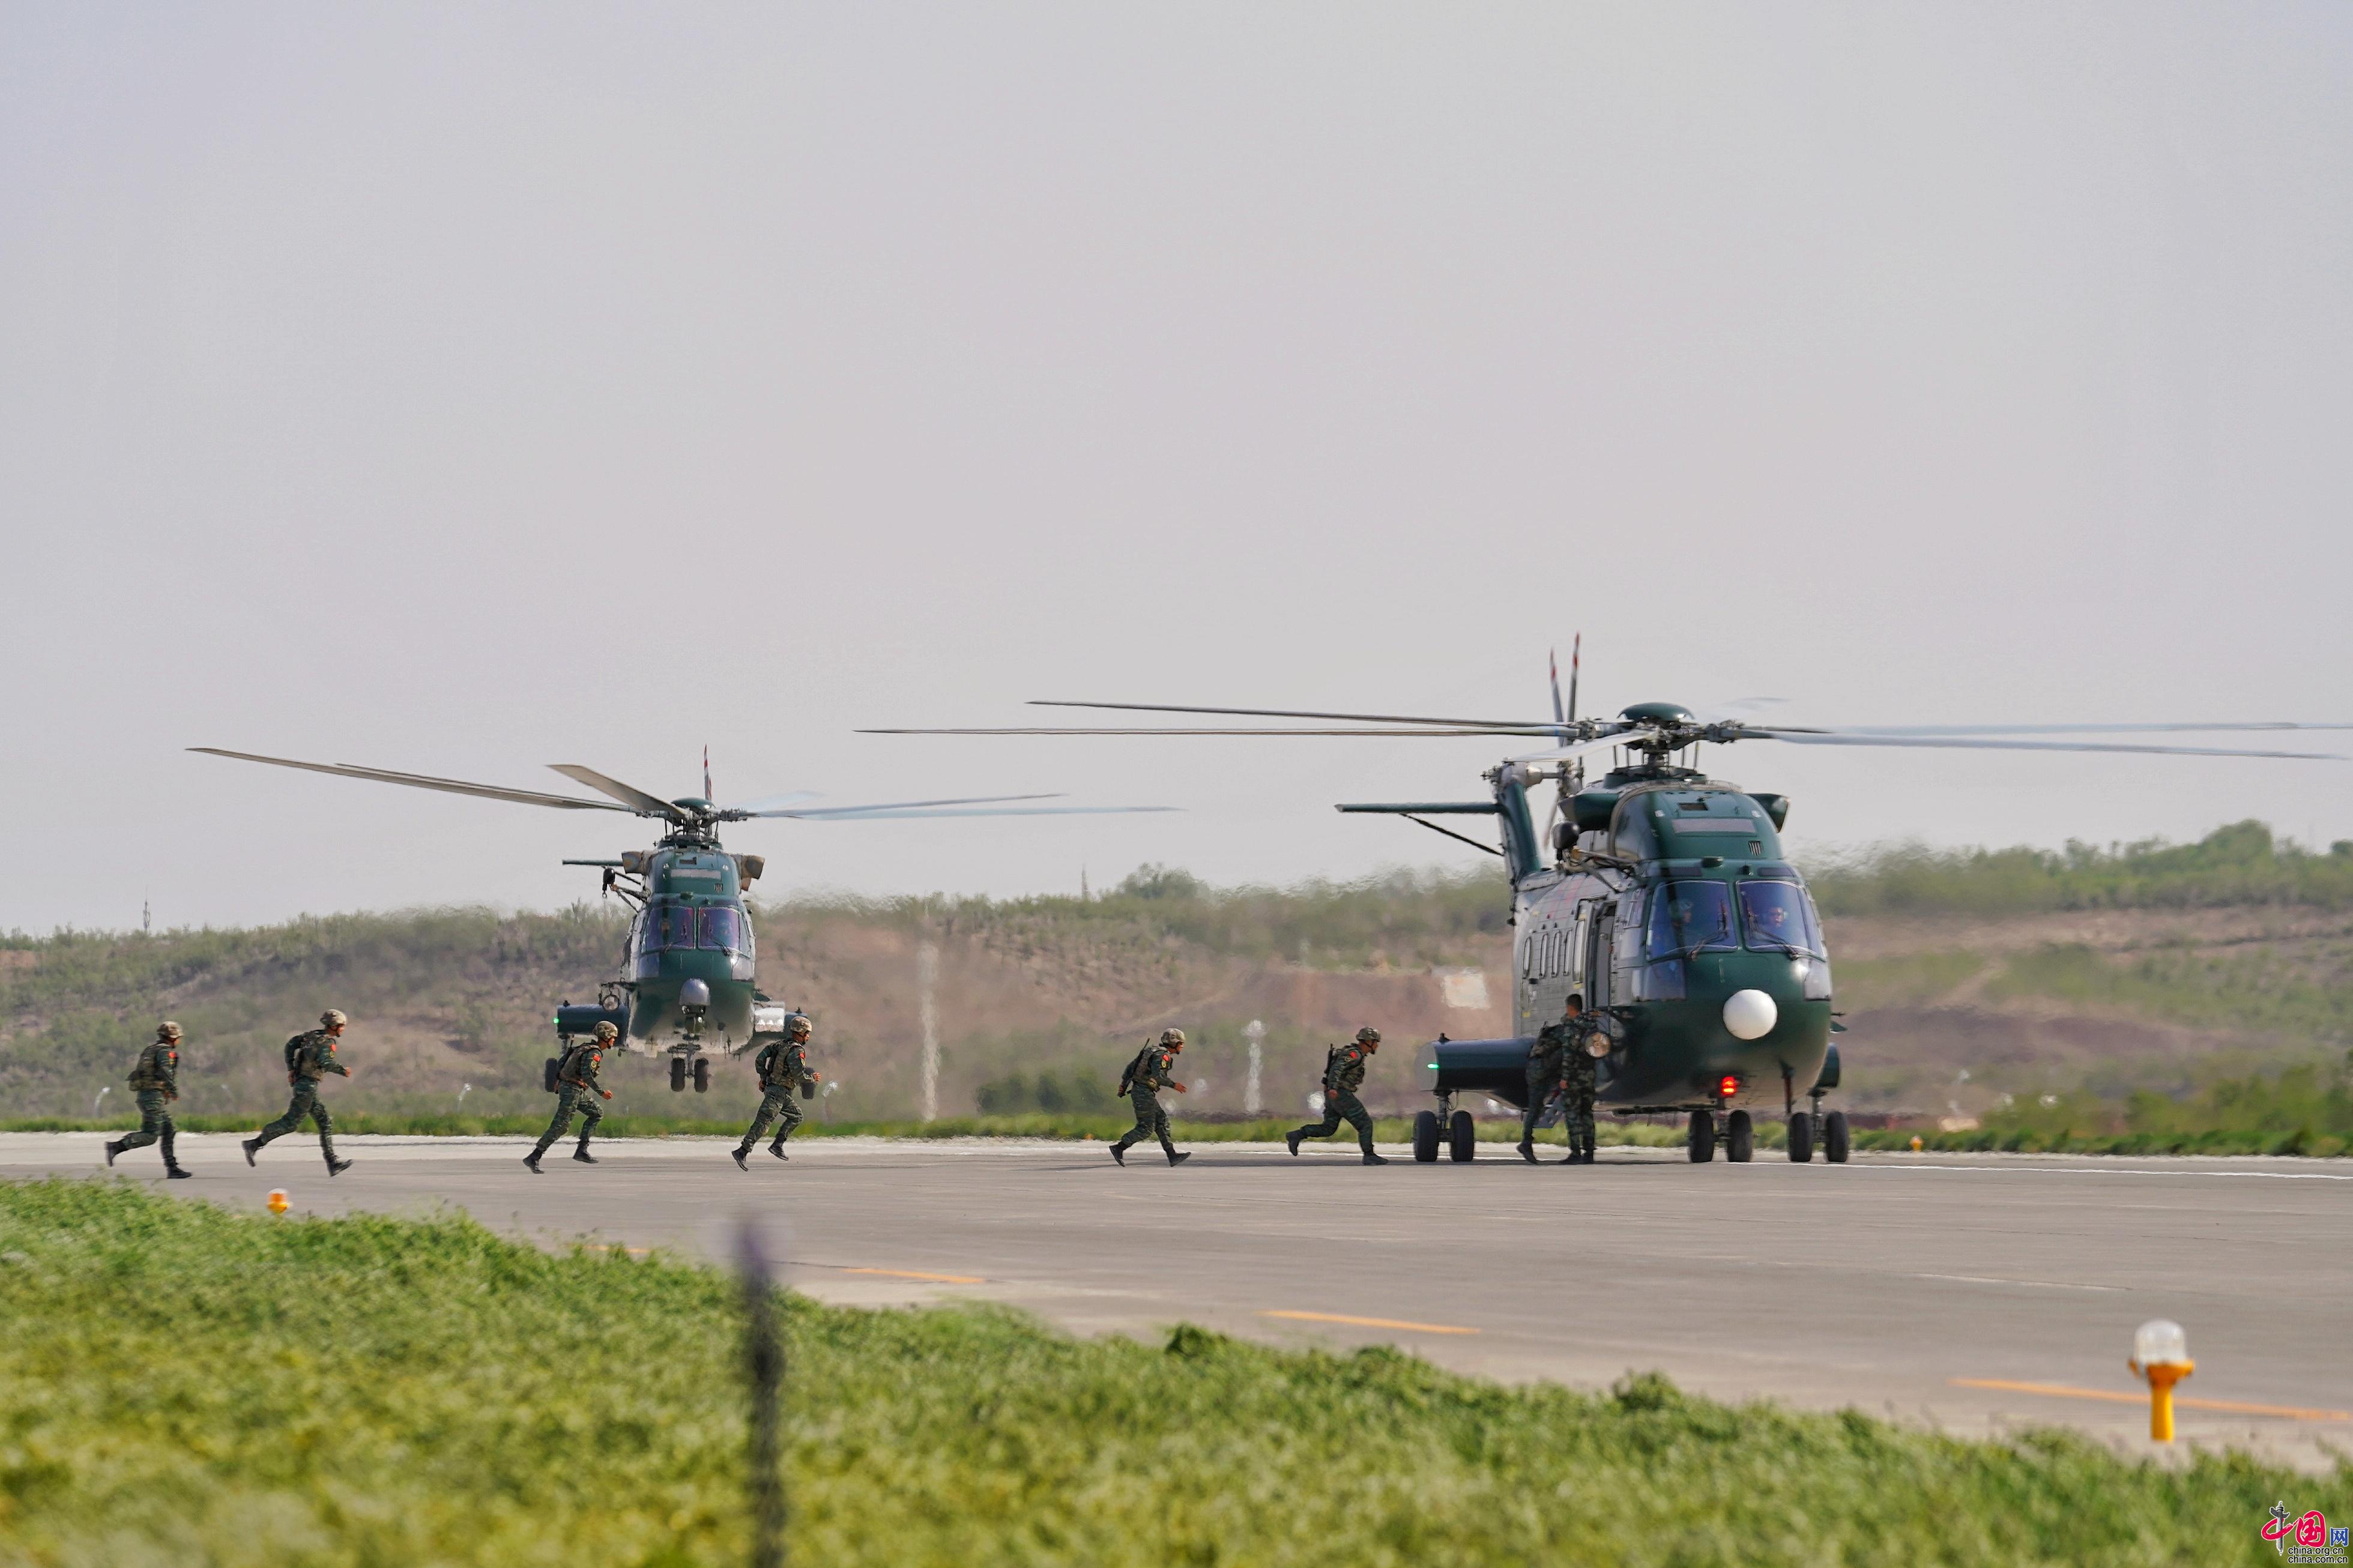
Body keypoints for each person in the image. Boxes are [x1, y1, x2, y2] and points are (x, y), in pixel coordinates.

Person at [244, 1009, 352, 1175]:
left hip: (305, 1086)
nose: (343, 1029)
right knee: (290, 1123)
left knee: (325, 1122)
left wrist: (291, 1069)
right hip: (307, 1088)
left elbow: (290, 1046)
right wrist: (342, 1070)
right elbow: (326, 1062)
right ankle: (255, 1144)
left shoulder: (309, 1037)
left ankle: (332, 1163)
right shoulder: (326, 1043)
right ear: (334, 1026)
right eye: (341, 1026)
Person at [1287, 1026, 1389, 1165]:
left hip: (1334, 1095)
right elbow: (1337, 1068)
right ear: (1368, 1041)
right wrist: (1333, 1088)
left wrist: (1330, 1088)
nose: (1377, 1045)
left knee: (1328, 1128)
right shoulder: (1355, 1055)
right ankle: (1369, 1155)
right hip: (1341, 1095)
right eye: (1375, 1042)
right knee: (1365, 1124)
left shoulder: (1356, 1055)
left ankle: (1297, 1135)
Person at [527, 1021, 615, 1172]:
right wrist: (602, 1093)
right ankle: (534, 1156)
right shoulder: (593, 1053)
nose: (614, 1040)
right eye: (613, 1037)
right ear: (606, 1037)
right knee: (561, 1125)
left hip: (574, 1089)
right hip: (571, 1090)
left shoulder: (585, 1048)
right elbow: (588, 1077)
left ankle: (581, 1150)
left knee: (596, 1113)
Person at [106, 1021, 191, 1179]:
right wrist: (173, 1091)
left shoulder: (151, 1050)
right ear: (172, 1038)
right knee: (151, 1135)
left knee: (169, 1129)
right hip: (153, 1098)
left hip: (148, 1096)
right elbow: (166, 1072)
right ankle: (117, 1147)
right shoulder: (165, 1052)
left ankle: (172, 1168)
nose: (179, 1040)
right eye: (178, 1037)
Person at [734, 1013, 817, 1169]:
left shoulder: (778, 1045)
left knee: (797, 1116)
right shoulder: (796, 1051)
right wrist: (812, 1079)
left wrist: (764, 1077)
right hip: (778, 1093)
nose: (808, 1037)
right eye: (807, 1034)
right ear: (800, 1033)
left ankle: (777, 1145)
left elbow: (760, 1059)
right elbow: (798, 1074)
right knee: (763, 1123)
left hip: (780, 1093)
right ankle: (742, 1151)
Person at [1110, 1028, 1191, 1167]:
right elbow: (1158, 1076)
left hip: (1142, 1091)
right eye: (1180, 1043)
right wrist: (1173, 1085)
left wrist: (1123, 1084)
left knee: (1162, 1121)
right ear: (1174, 1043)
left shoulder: (1152, 1050)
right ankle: (1119, 1147)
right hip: (1143, 1092)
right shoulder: (1162, 1055)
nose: (1182, 1046)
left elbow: (1131, 1068)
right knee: (1146, 1128)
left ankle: (1172, 1155)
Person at [1519, 1001, 1575, 1163]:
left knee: (1535, 1109)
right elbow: (1567, 1056)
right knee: (1535, 1108)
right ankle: (1526, 1142)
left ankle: (1526, 1142)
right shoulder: (1565, 1034)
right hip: (1542, 1073)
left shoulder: (1556, 1032)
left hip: (1539, 1072)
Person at [1561, 1004, 1607, 1164]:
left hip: (1574, 1079)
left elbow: (1568, 1054)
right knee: (1587, 1115)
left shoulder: (1572, 1027)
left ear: (1571, 1008)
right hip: (1589, 1077)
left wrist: (1565, 1078)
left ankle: (1575, 1153)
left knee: (1572, 1115)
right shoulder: (1592, 1026)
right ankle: (1589, 1153)